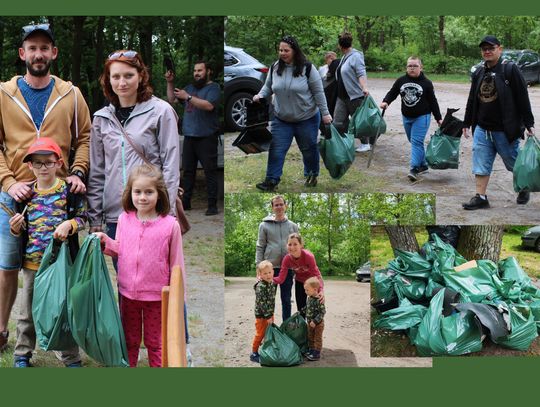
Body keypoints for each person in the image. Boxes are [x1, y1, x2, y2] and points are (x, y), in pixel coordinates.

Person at [0, 23, 90, 354]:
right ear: (22, 54)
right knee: (9, 266)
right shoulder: (3, 94)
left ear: (54, 53)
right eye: (32, 48)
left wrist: (78, 171)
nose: (38, 54)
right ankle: (3, 331)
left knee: (60, 268)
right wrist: (9, 182)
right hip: (14, 198)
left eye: (45, 48)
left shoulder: (72, 94)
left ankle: (64, 337)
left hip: (58, 197)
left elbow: (84, 138)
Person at [94, 164, 185, 368]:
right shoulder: (123, 220)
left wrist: (177, 296)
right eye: (138, 192)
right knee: (129, 341)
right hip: (128, 294)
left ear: (159, 194)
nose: (142, 197)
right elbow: (119, 248)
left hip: (157, 296)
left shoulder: (170, 225)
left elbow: (177, 264)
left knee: (156, 343)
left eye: (149, 192)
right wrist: (104, 241)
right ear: (130, 193)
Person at [9, 138, 86, 367]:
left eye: (49, 162)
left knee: (63, 311)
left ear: (59, 163)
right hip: (33, 264)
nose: (44, 167)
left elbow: (83, 219)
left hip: (61, 264)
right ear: (30, 166)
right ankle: (22, 354)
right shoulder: (25, 195)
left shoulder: (68, 192)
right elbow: (20, 231)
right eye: (38, 163)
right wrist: (15, 228)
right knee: (27, 314)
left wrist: (70, 225)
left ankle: (71, 357)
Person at [88, 50, 180, 241]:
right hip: (116, 216)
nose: (122, 82)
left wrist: (168, 212)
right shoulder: (101, 118)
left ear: (141, 76)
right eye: (116, 76)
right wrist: (95, 215)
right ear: (108, 80)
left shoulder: (161, 111)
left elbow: (171, 166)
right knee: (122, 271)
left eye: (129, 75)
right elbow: (97, 171)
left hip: (152, 211)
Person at [462, 35, 535, 210]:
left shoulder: (510, 69)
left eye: (491, 48)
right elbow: (473, 99)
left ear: (499, 49)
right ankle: (480, 197)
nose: (487, 51)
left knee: (515, 163)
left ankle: (524, 188)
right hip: (482, 128)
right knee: (480, 162)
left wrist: (529, 122)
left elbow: (522, 97)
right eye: (484, 49)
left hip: (504, 129)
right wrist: (466, 122)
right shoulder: (479, 71)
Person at [253, 35, 332, 191]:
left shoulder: (308, 68)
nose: (282, 53)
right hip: (281, 119)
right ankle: (271, 180)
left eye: (286, 50)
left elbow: (318, 93)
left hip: (307, 118)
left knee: (309, 149)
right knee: (276, 149)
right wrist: (260, 95)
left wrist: (325, 114)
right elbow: (268, 87)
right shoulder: (275, 67)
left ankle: (312, 174)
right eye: (280, 50)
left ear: (294, 51)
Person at [165, 61, 220, 216]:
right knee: (188, 172)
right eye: (195, 70)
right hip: (189, 136)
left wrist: (188, 97)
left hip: (206, 136)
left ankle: (212, 205)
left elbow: (209, 106)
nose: (197, 73)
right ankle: (186, 203)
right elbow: (172, 100)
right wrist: (170, 83)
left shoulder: (213, 88)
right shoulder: (190, 88)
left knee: (210, 172)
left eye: (200, 70)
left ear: (208, 71)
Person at [380, 56, 442, 182]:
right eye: (409, 66)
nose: (412, 68)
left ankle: (414, 169)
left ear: (421, 67)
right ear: (406, 67)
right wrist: (386, 101)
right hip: (406, 117)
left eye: (415, 66)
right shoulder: (401, 80)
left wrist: (438, 118)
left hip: (422, 116)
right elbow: (392, 92)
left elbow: (433, 101)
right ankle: (423, 164)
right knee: (413, 140)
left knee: (416, 141)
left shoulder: (426, 83)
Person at [255, 195, 298, 321]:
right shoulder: (264, 225)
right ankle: (269, 330)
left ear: (286, 206)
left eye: (281, 204)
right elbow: (260, 246)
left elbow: (297, 248)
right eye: (276, 205)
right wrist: (259, 267)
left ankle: (286, 330)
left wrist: (296, 267)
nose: (279, 207)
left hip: (287, 269)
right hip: (269, 269)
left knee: (286, 300)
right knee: (268, 301)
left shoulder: (293, 226)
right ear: (272, 207)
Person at [333, 32, 371, 153]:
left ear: (339, 45)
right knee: (338, 121)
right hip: (342, 96)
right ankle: (344, 142)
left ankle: (366, 144)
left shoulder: (356, 56)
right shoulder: (345, 56)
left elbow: (361, 73)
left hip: (354, 95)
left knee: (359, 121)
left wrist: (364, 87)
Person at [274, 233, 324, 317]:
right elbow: (281, 278)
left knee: (315, 308)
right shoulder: (287, 259)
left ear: (301, 245)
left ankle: (313, 328)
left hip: (311, 282)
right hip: (300, 282)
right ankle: (303, 328)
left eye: (295, 244)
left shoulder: (308, 256)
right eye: (289, 244)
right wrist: (268, 279)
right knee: (301, 309)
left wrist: (321, 290)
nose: (292, 247)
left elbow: (317, 275)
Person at [250, 260, 276, 363]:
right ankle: (254, 352)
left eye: (269, 272)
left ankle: (266, 349)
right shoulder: (261, 287)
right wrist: (268, 316)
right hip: (262, 315)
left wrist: (270, 314)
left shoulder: (271, 283)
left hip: (270, 313)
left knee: (268, 332)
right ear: (260, 274)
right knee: (260, 333)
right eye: (265, 273)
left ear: (273, 272)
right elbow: (262, 304)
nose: (268, 275)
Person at [303, 277, 326, 361]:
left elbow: (322, 312)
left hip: (318, 324)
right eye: (305, 290)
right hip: (309, 323)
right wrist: (301, 311)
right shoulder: (310, 298)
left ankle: (316, 353)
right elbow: (307, 307)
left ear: (315, 289)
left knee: (317, 338)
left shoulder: (319, 300)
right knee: (310, 337)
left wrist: (315, 321)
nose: (306, 292)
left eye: (307, 290)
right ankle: (311, 350)